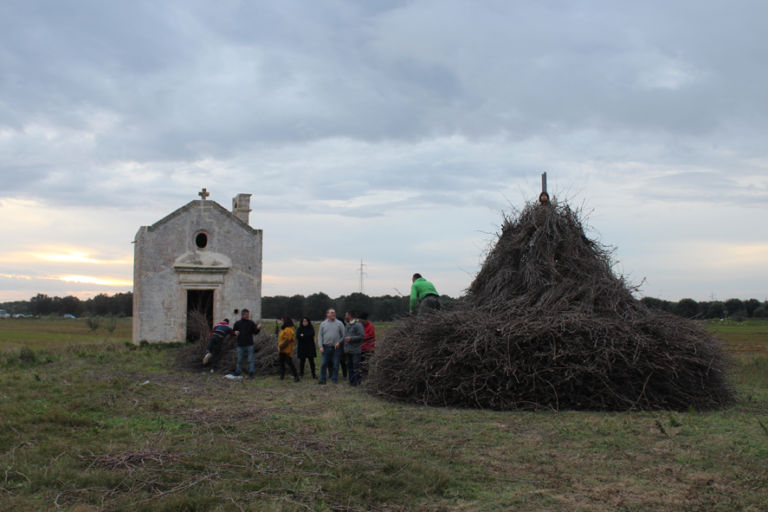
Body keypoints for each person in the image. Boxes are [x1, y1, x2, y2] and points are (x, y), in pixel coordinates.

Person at [317, 308, 345, 384]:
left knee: (335, 364)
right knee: (323, 364)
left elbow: (344, 335)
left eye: (334, 312)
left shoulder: (339, 323)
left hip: (336, 348)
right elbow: (320, 336)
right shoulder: (323, 324)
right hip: (325, 347)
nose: (333, 314)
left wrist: (339, 342)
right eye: (332, 312)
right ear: (327, 314)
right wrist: (320, 346)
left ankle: (334, 380)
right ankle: (323, 380)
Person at [232, 309, 261, 378]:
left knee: (250, 360)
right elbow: (233, 332)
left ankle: (251, 373)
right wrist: (234, 333)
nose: (248, 316)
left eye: (248, 314)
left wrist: (259, 328)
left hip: (249, 344)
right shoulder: (237, 323)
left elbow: (255, 332)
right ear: (243, 315)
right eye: (247, 315)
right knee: (239, 360)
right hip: (240, 345)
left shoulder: (251, 323)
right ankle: (238, 372)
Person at [343, 311, 365, 386]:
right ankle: (351, 382)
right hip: (348, 350)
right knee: (349, 366)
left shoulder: (358, 325)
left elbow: (362, 336)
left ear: (349, 315)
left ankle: (357, 382)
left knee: (356, 366)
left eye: (346, 315)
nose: (345, 316)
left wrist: (351, 338)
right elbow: (344, 336)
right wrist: (339, 342)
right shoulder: (347, 325)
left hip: (355, 350)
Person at [277, 316, 300, 382]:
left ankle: (296, 377)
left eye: (283, 320)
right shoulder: (284, 329)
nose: (282, 321)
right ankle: (282, 376)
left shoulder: (288, 329)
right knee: (281, 363)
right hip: (282, 350)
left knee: (290, 363)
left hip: (287, 350)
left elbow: (287, 340)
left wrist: (280, 346)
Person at [359, 312, 376, 377]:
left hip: (368, 348)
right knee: (360, 362)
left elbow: (369, 336)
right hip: (360, 348)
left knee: (366, 363)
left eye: (360, 320)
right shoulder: (360, 325)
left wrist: (360, 337)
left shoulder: (370, 326)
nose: (359, 321)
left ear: (364, 320)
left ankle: (365, 376)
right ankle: (360, 375)